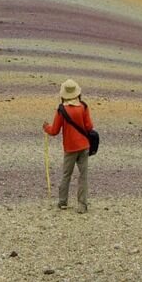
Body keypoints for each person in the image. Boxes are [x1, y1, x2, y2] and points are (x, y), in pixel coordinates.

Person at [43, 79, 94, 213]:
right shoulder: (83, 106)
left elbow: (54, 131)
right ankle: (82, 205)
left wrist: (46, 128)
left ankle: (63, 202)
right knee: (83, 176)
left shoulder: (62, 110)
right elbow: (89, 126)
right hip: (84, 146)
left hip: (70, 148)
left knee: (66, 175)